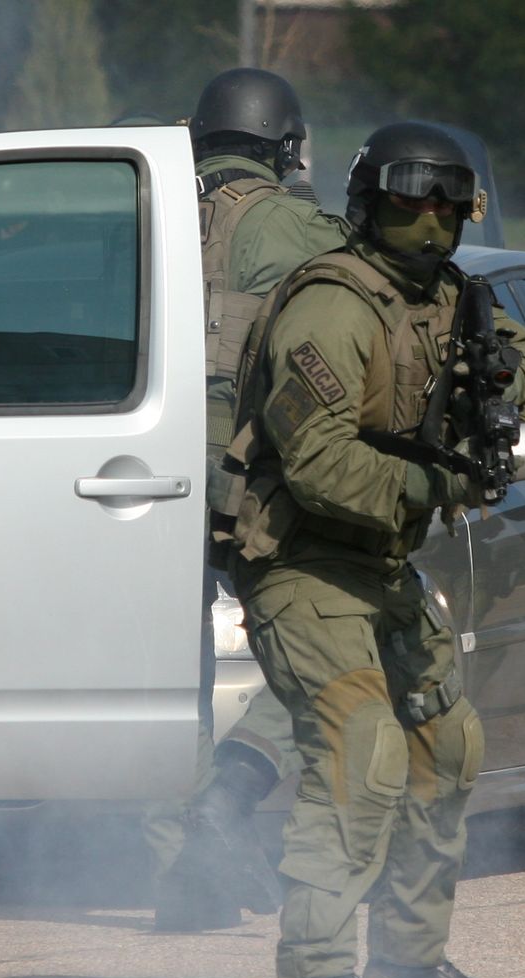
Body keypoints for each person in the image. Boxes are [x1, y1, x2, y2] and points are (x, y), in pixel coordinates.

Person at [223, 120, 525, 978]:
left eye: (449, 197)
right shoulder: (334, 302)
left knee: (445, 746)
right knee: (362, 746)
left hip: (384, 563)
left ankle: (411, 961)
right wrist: (435, 476)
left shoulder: (449, 296)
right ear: (370, 201)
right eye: (411, 194)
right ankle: (315, 972)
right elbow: (320, 461)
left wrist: (496, 378)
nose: (432, 214)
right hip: (302, 560)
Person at [148, 67, 350, 932]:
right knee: (332, 653)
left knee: (169, 683)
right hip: (251, 475)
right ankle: (233, 795)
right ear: (284, 147)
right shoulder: (298, 225)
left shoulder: (147, 215)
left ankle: (183, 878)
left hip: (144, 469)